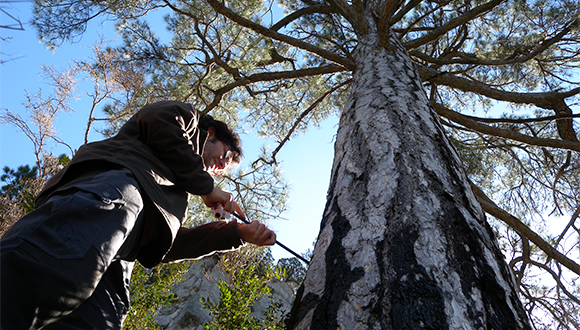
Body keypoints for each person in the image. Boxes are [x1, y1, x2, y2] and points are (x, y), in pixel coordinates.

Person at [0, 100, 276, 329]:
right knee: (41, 274)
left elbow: (163, 246)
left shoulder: (177, 193)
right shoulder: (186, 119)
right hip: (112, 189)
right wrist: (205, 187)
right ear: (212, 133)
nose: (218, 169)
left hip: (121, 259)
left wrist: (235, 233)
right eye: (225, 158)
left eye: (222, 172)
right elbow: (156, 120)